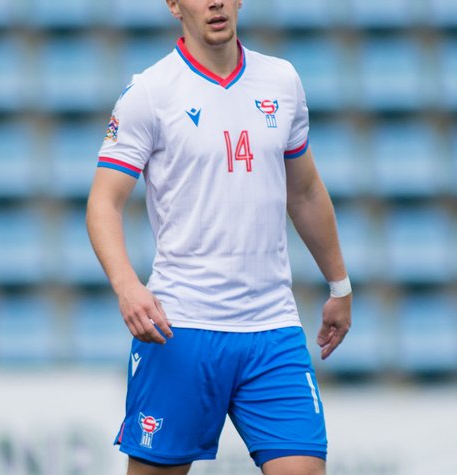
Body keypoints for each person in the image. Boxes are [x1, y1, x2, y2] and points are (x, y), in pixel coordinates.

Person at [86, 1, 352, 474]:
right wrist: (127, 286)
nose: (215, 2)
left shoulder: (282, 81)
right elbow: (103, 202)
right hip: (181, 329)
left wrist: (339, 285)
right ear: (174, 5)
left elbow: (305, 191)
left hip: (272, 329)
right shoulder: (150, 92)